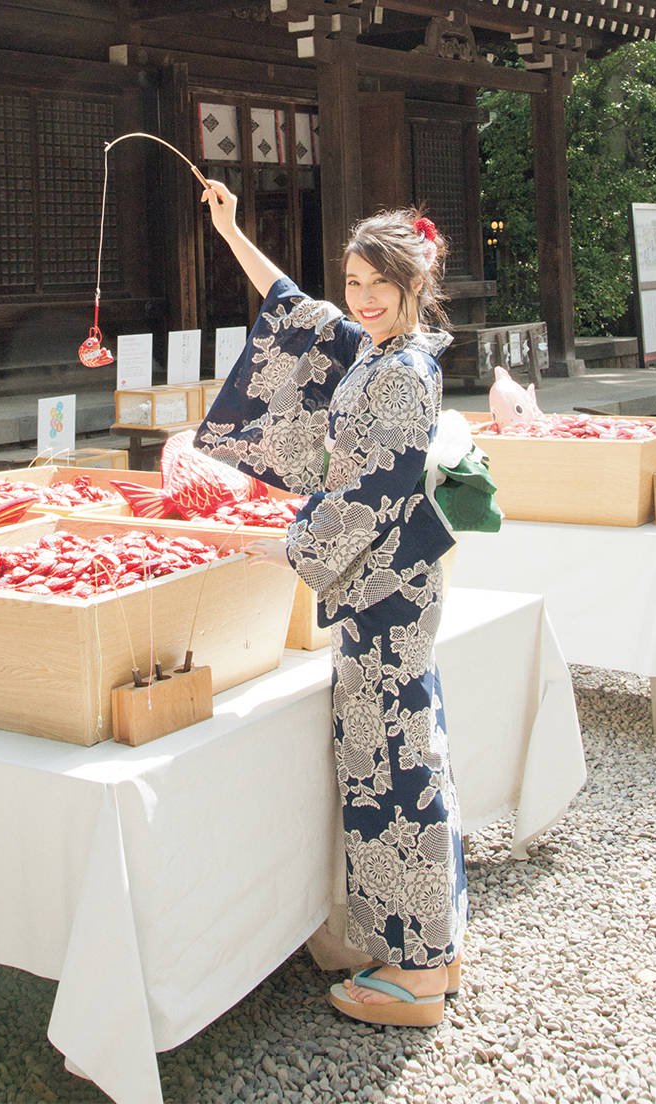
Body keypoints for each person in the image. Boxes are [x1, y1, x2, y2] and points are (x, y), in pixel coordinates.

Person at [194, 179, 467, 1028]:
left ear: (416, 283)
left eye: (378, 284)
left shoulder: (398, 375)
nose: (362, 299)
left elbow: (366, 496)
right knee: (402, 748)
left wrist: (281, 547)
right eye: (354, 283)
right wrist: (232, 231)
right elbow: (293, 308)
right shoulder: (380, 353)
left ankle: (417, 973)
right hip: (387, 585)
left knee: (394, 765)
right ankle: (433, 950)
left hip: (384, 588)